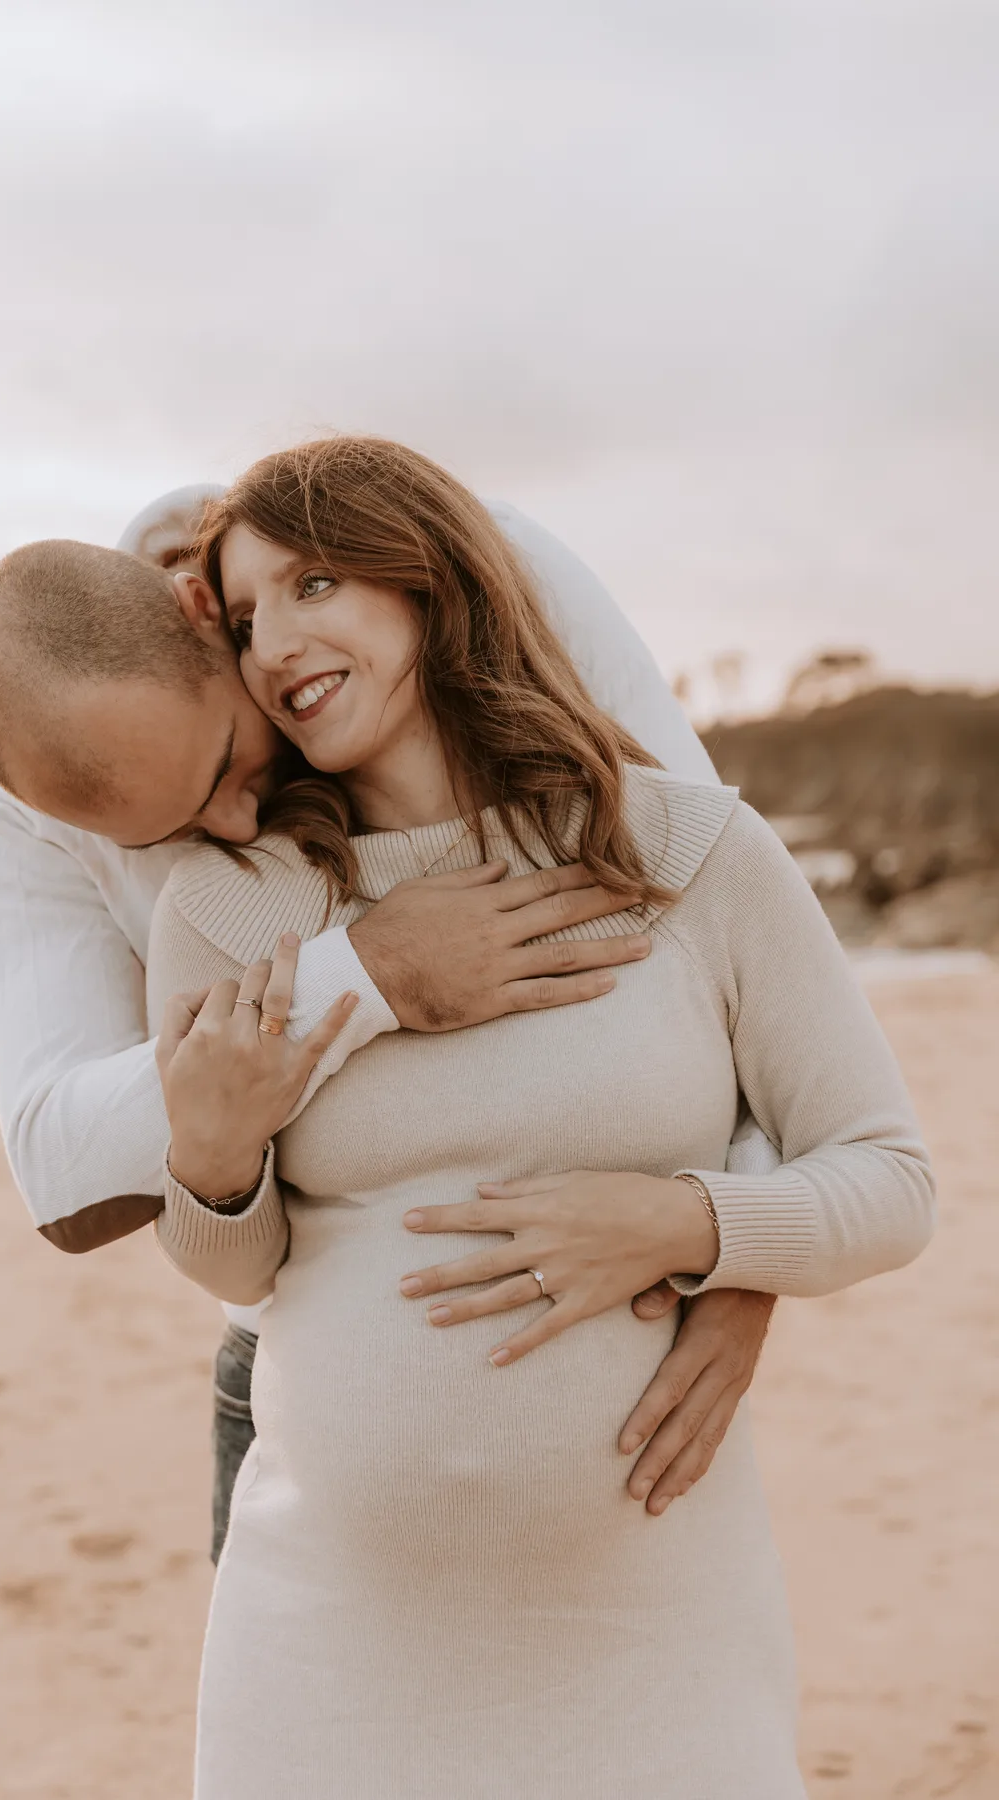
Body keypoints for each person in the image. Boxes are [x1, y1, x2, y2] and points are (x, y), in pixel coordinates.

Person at [138, 437, 932, 1797]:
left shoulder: (687, 852)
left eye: (316, 582)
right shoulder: (228, 914)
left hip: (651, 1629)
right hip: (326, 1644)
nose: (277, 644)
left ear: (433, 581)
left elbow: (890, 1180)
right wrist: (207, 1168)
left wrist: (687, 1227)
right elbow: (238, 1269)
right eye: (251, 616)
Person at [0, 487, 779, 1559]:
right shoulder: (27, 795)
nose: (236, 824)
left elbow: (715, 906)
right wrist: (367, 976)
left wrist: (741, 1250)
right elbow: (60, 1172)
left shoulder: (461, 559)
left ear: (206, 611)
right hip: (293, 1392)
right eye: (179, 834)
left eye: (222, 770)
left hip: (627, 1362)